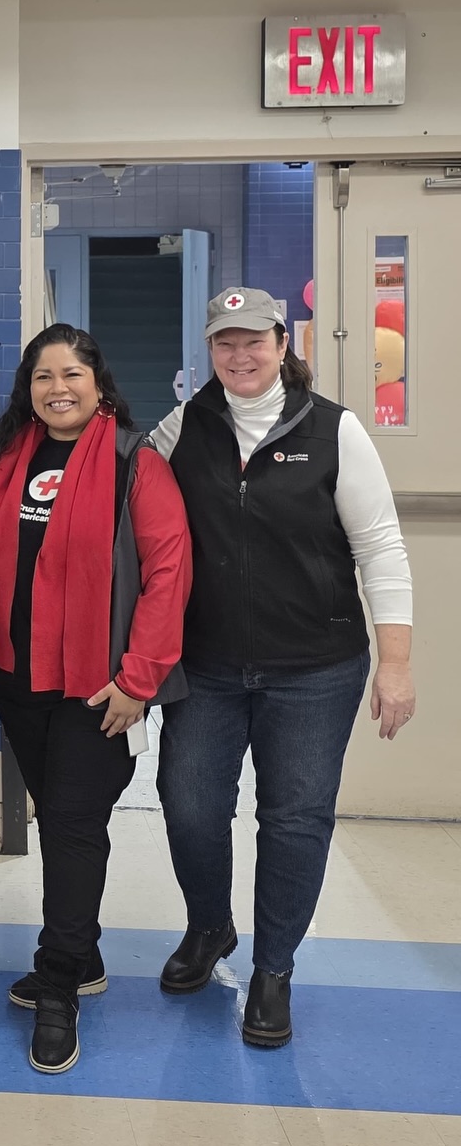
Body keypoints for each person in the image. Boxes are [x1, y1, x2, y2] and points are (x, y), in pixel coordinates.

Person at [151, 286, 415, 1049]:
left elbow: (381, 548)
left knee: (295, 819)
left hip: (314, 669)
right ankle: (210, 926)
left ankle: (274, 969)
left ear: (281, 343)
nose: (240, 355)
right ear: (209, 349)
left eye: (254, 340)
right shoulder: (182, 428)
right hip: (206, 665)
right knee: (189, 805)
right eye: (225, 342)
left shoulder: (334, 430)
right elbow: (127, 509)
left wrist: (395, 663)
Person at [0, 324, 190, 1074]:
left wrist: (138, 679)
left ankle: (58, 982)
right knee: (62, 818)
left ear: (98, 383)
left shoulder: (135, 462)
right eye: (42, 376)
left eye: (71, 374)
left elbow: (168, 573)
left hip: (101, 688)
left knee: (70, 823)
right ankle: (82, 954)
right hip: (18, 676)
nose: (57, 388)